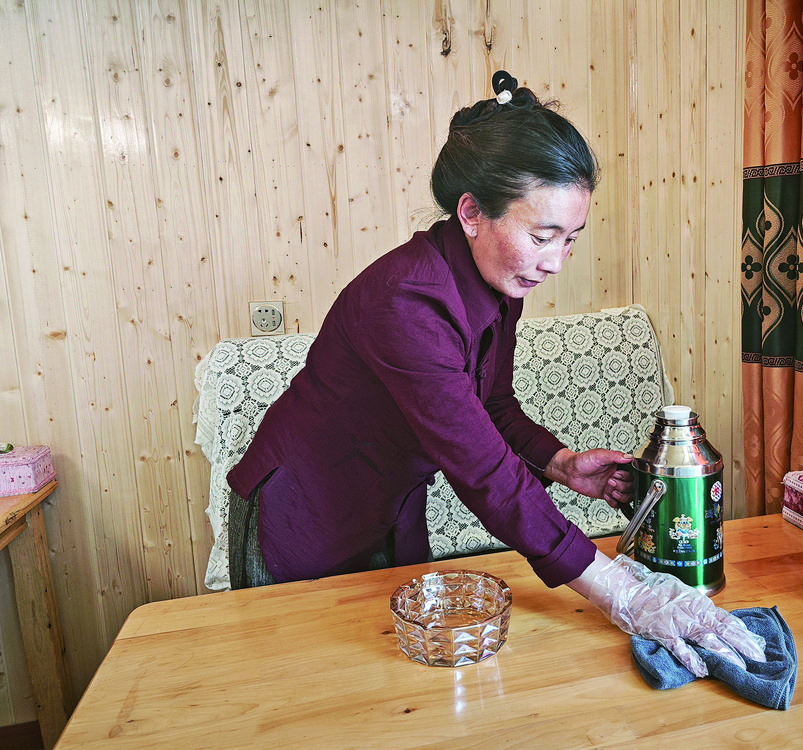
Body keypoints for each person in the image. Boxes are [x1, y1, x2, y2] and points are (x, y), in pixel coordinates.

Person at [228, 71, 764, 676]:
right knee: (310, 684)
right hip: (305, 512)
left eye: (571, 240)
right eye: (542, 236)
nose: (555, 262)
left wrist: (560, 463)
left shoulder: (499, 281)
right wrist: (626, 594)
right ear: (471, 213)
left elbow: (494, 406)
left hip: (391, 508)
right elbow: (483, 471)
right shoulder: (405, 302)